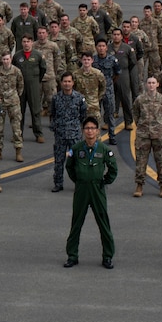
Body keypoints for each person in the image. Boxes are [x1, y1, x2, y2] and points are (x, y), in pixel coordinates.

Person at [64, 117, 118, 269]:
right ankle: (72, 255)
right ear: (83, 131)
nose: (89, 131)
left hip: (97, 189)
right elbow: (69, 167)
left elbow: (113, 168)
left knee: (103, 223)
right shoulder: (76, 149)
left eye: (92, 128)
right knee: (76, 223)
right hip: (81, 189)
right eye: (87, 128)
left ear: (97, 131)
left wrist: (105, 181)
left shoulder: (103, 149)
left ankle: (107, 256)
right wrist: (79, 180)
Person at [48, 73, 87, 193]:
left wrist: (76, 127)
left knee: (78, 160)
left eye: (69, 81)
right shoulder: (56, 98)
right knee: (59, 160)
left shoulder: (79, 98)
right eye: (65, 81)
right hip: (60, 133)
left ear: (73, 83)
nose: (67, 84)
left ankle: (79, 183)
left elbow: (83, 115)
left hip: (74, 134)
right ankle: (58, 183)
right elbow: (52, 114)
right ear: (61, 83)